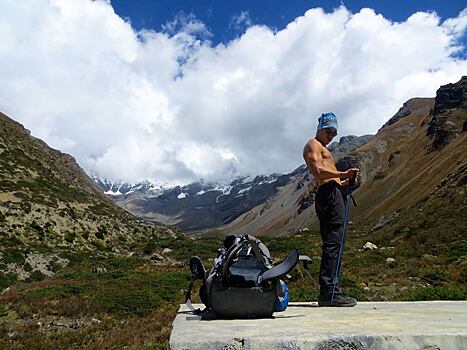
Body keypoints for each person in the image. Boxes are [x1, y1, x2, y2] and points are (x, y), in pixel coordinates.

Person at [302, 112, 359, 307]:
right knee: (333, 241)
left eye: (334, 132)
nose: (331, 135)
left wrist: (344, 181)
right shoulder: (313, 145)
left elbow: (330, 178)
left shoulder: (325, 149)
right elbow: (317, 171)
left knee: (337, 241)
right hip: (328, 195)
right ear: (320, 129)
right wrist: (343, 173)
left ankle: (332, 289)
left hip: (334, 192)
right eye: (328, 131)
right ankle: (329, 292)